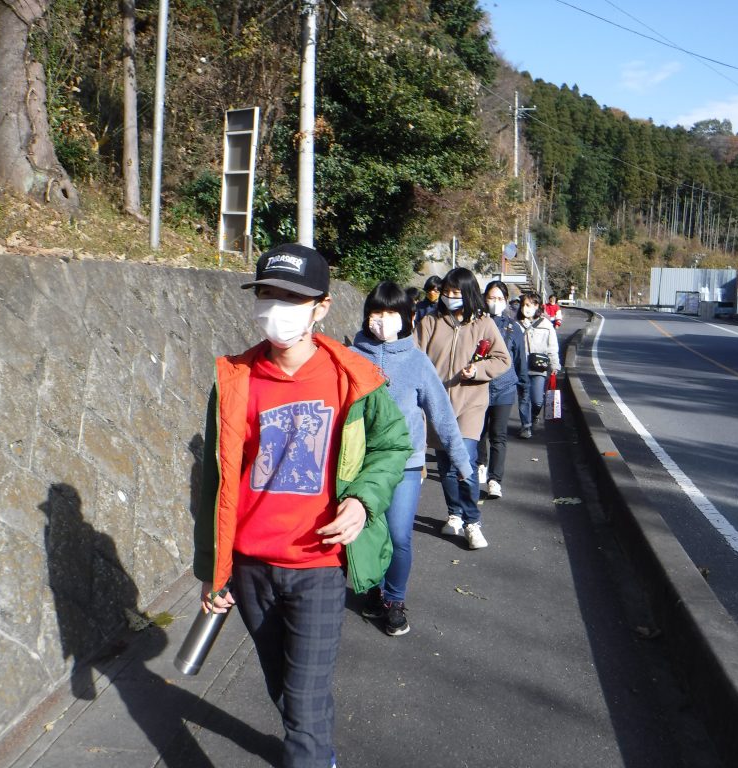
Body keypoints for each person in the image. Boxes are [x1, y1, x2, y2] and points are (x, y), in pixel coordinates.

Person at [193, 243, 413, 768]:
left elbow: (391, 446)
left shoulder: (355, 379)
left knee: (306, 701)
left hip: (318, 565)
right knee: (286, 690)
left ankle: (313, 755)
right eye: (267, 293)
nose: (276, 306)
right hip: (250, 568)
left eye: (292, 297)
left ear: (322, 307)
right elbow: (215, 483)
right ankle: (316, 751)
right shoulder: (234, 381)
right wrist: (213, 568)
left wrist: (361, 500)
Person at [351, 282, 472, 636]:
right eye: (376, 312)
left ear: (408, 317)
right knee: (369, 534)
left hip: (405, 464)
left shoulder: (418, 362)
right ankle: (374, 589)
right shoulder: (351, 356)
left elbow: (442, 414)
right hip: (362, 464)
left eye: (391, 313)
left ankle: (395, 600)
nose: (382, 320)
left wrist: (463, 462)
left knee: (400, 535)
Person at [415, 267, 511, 549]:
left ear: (468, 294)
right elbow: (415, 356)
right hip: (437, 405)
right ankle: (454, 513)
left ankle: (472, 521)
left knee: (465, 463)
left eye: (456, 293)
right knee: (445, 465)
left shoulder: (483, 324)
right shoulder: (430, 322)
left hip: (470, 404)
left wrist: (478, 369)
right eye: (446, 292)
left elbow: (502, 359)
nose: (449, 297)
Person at [476, 280, 527, 499]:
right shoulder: (474, 324)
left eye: (499, 299)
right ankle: (480, 463)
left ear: (506, 301)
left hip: (504, 388)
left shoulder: (513, 328)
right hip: (478, 387)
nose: (495, 302)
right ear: (483, 298)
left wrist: (523, 386)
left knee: (499, 435)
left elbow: (520, 360)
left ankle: (495, 480)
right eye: (491, 298)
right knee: (478, 432)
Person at [516, 291, 560, 439]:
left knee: (537, 400)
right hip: (521, 367)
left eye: (529, 305)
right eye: (523, 305)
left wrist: (554, 365)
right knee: (524, 399)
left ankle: (535, 415)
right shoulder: (516, 324)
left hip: (539, 368)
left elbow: (552, 347)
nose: (526, 308)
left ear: (537, 306)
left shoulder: (546, 325)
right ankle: (525, 426)